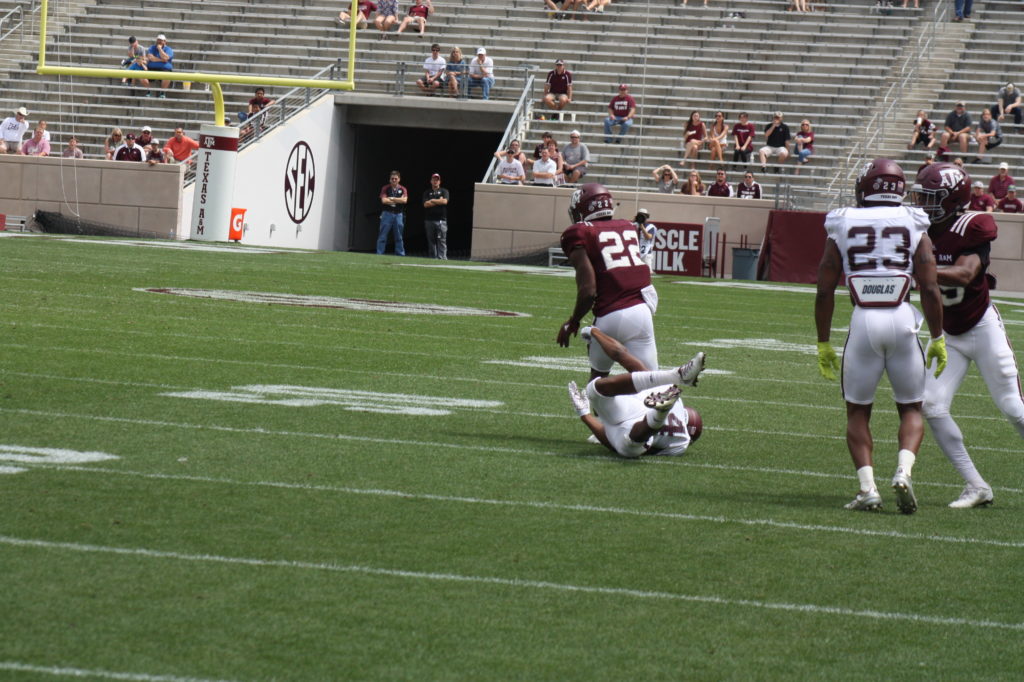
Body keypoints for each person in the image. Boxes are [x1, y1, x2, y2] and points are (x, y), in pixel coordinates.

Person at [815, 158, 946, 513]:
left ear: (867, 186)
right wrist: (937, 336)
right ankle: (903, 472)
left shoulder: (842, 219)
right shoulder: (913, 219)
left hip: (863, 321)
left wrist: (823, 341)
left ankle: (868, 488)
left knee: (858, 411)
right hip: (903, 318)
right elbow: (930, 286)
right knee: (911, 407)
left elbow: (825, 288)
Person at [913, 162, 1024, 508]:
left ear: (951, 199)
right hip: (947, 332)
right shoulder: (917, 228)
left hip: (981, 326)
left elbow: (964, 274)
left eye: (929, 197)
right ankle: (976, 486)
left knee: (1013, 408)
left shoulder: (973, 224)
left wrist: (919, 269)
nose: (921, 203)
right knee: (931, 405)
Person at [557, 183, 659, 378]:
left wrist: (574, 321)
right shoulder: (628, 226)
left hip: (610, 315)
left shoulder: (579, 232)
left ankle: (594, 409)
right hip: (641, 311)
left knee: (597, 384)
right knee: (652, 385)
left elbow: (588, 290)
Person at [566, 326, 705, 459]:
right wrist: (585, 414)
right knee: (629, 446)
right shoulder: (682, 442)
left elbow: (622, 355)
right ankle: (659, 414)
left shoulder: (676, 400)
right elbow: (613, 441)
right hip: (637, 429)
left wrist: (594, 331)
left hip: (633, 407)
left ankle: (674, 376)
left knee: (612, 383)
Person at [377, 170, 408, 255]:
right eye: (392, 179)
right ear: (390, 180)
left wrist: (392, 199)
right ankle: (379, 253)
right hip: (387, 213)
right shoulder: (385, 188)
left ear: (399, 179)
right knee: (383, 235)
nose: (394, 180)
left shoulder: (403, 189)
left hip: (398, 214)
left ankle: (400, 254)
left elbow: (404, 200)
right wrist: (398, 200)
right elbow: (383, 200)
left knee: (399, 236)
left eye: (395, 179)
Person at [422, 173, 448, 259]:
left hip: (441, 220)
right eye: (434, 179)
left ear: (439, 181)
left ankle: (442, 257)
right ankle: (433, 257)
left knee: (441, 239)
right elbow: (425, 204)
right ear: (431, 181)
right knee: (431, 240)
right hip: (429, 220)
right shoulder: (427, 192)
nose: (435, 181)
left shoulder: (444, 191)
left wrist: (432, 200)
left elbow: (444, 202)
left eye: (437, 180)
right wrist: (438, 201)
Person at [633, 208, 657, 272]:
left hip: (646, 254)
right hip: (635, 253)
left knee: (648, 273)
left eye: (643, 216)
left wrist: (642, 228)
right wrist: (634, 221)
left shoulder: (650, 227)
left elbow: (648, 237)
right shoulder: (634, 225)